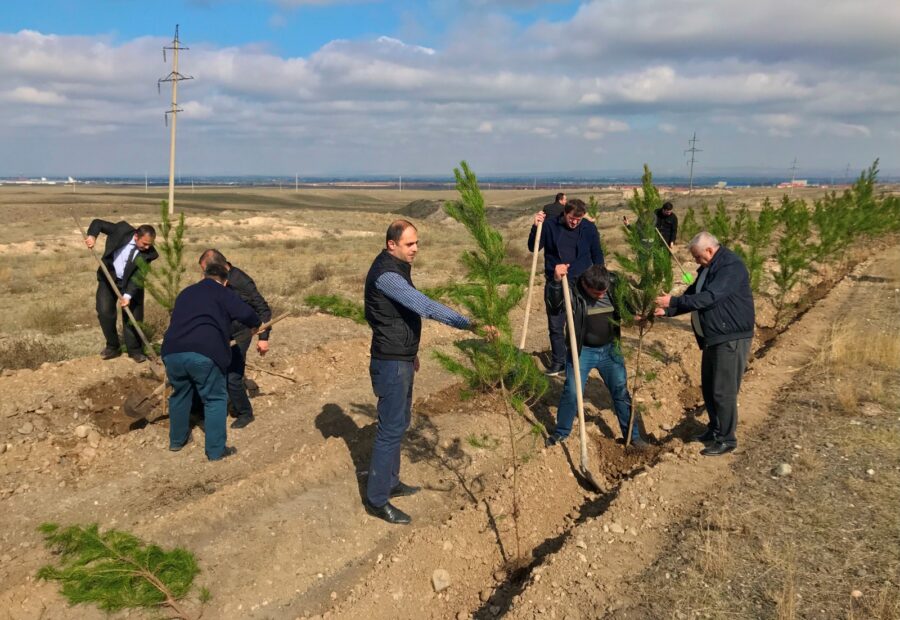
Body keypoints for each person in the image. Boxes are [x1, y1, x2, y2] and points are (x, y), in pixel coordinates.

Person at [364, 219, 491, 525]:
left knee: (399, 423)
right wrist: (469, 324)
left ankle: (390, 482)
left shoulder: (395, 268)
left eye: (417, 242)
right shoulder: (387, 276)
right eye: (410, 244)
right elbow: (423, 306)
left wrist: (411, 353)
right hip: (391, 363)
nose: (416, 249)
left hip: (401, 358)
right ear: (391, 244)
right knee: (390, 429)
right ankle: (377, 499)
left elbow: (397, 317)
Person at [654, 231, 754, 456]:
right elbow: (693, 294)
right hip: (712, 337)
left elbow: (710, 297)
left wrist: (674, 300)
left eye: (698, 257)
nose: (696, 261)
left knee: (723, 390)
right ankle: (714, 429)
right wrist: (669, 309)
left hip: (730, 337)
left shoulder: (730, 267)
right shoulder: (709, 267)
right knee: (709, 388)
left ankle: (727, 439)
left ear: (709, 250)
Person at [162, 262, 261, 461]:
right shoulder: (222, 292)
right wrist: (256, 324)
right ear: (224, 281)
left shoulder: (186, 293)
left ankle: (177, 441)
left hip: (172, 351)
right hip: (204, 352)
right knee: (215, 398)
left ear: (203, 275)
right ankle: (216, 451)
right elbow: (246, 313)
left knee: (180, 394)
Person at [545, 263, 648, 449]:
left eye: (604, 292)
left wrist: (637, 318)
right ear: (585, 284)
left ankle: (633, 437)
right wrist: (556, 282)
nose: (601, 296)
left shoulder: (614, 283)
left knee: (620, 391)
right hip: (583, 351)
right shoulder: (572, 289)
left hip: (611, 349)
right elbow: (554, 307)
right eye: (596, 293)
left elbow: (627, 310)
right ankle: (561, 433)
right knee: (572, 391)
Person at [527, 198, 604, 376]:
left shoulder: (589, 228)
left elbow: (597, 253)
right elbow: (534, 247)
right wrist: (535, 227)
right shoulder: (550, 226)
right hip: (556, 280)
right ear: (565, 213)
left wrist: (600, 276)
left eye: (578, 219)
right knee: (556, 323)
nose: (574, 222)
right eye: (571, 218)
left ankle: (578, 359)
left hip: (582, 281)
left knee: (579, 322)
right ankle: (558, 362)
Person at [198, 249, 272, 429]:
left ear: (220, 266)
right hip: (223, 330)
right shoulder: (213, 281)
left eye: (206, 270)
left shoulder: (241, 281)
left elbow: (263, 309)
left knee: (233, 375)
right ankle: (218, 406)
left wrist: (263, 338)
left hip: (242, 332)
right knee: (216, 369)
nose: (204, 275)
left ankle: (245, 413)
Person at [84, 219, 158, 362]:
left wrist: (128, 296)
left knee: (133, 317)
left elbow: (138, 276)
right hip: (109, 277)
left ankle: (135, 350)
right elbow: (97, 223)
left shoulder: (149, 254)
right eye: (145, 244)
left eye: (150, 244)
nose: (148, 247)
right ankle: (113, 347)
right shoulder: (121, 229)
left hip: (132, 283)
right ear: (136, 236)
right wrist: (92, 236)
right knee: (104, 311)